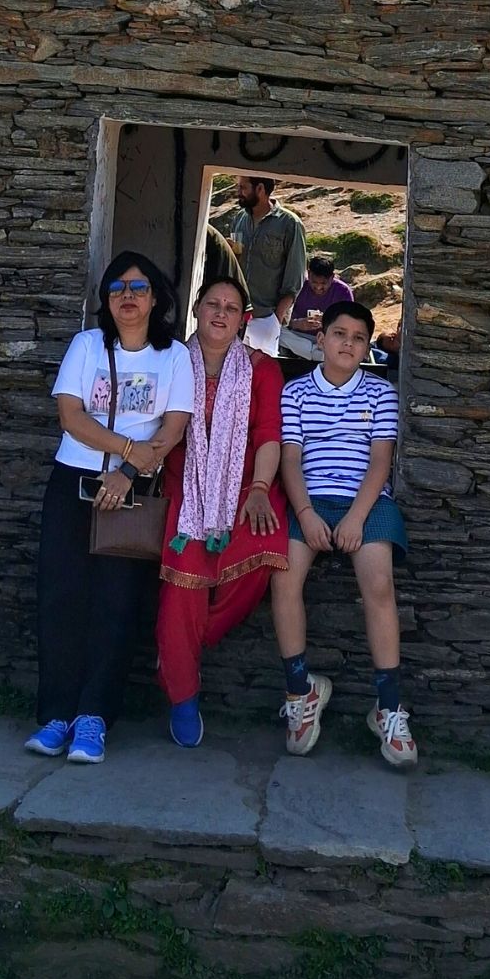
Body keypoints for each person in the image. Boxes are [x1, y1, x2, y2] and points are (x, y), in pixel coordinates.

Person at [26, 251, 194, 765]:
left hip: (133, 489)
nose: (127, 296)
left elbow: (174, 425)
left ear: (156, 297)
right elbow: (71, 416)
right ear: (106, 297)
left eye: (139, 287)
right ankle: (57, 714)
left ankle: (95, 717)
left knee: (117, 605)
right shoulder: (86, 346)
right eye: (118, 287)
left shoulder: (173, 357)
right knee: (62, 597)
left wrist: (128, 473)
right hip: (75, 479)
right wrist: (125, 451)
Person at [271, 299, 417, 768]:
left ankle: (388, 706)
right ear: (321, 338)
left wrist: (356, 518)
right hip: (309, 501)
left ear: (366, 346)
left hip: (367, 503)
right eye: (338, 334)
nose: (347, 343)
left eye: (358, 338)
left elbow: (380, 460)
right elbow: (291, 460)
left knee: (378, 583)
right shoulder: (295, 393)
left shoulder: (380, 394)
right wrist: (306, 514)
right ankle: (301, 691)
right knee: (283, 578)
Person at [156, 274, 287, 746]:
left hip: (248, 486)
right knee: (184, 582)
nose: (221, 313)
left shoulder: (262, 369)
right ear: (196, 310)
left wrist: (257, 488)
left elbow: (268, 434)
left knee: (261, 557)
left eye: (232, 308)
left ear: (243, 320)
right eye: (213, 303)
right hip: (186, 490)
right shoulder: (170, 362)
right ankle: (183, 695)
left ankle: (177, 652)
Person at [229, 175, 307, 358]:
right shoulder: (239, 219)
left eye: (243, 187)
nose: (238, 192)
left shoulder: (290, 224)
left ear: (260, 189)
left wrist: (276, 318)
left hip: (265, 317)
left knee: (260, 376)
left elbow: (295, 276)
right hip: (235, 315)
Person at [280, 252, 355, 362]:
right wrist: (297, 324)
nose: (319, 287)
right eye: (314, 282)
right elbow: (281, 317)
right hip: (298, 336)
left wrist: (329, 322)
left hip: (327, 339)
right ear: (309, 274)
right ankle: (315, 353)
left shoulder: (343, 291)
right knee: (276, 332)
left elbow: (350, 323)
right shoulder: (298, 286)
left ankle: (311, 353)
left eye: (324, 283)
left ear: (332, 277)